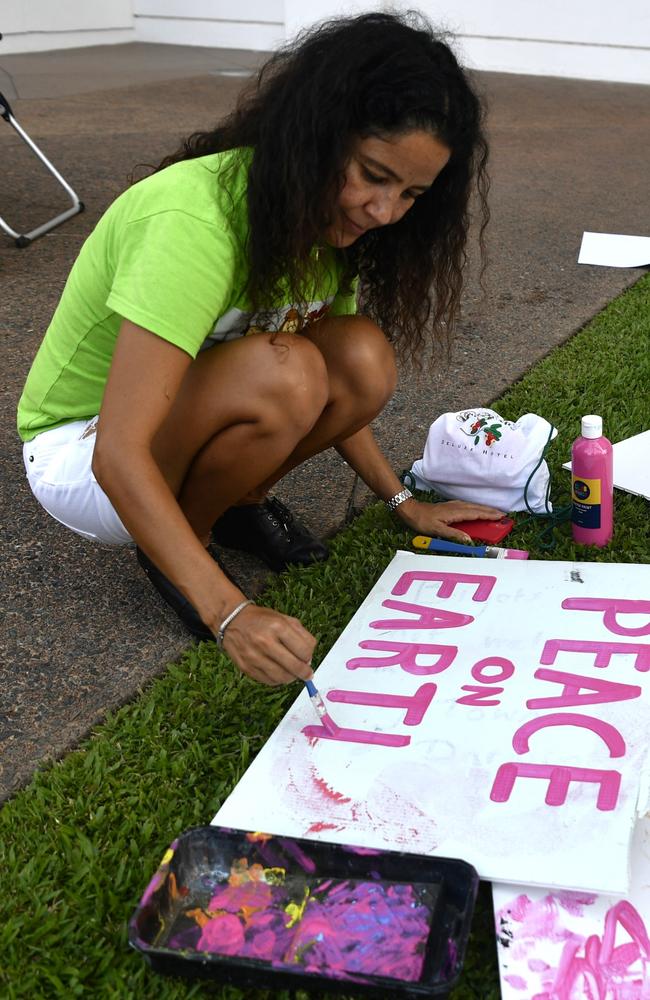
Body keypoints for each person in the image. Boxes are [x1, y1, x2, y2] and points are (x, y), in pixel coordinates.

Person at [17, 10, 503, 689]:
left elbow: (347, 388)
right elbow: (117, 452)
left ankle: (230, 507)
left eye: (411, 194)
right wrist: (229, 611)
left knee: (360, 356)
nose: (384, 212)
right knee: (288, 368)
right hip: (83, 456)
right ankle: (178, 553)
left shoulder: (330, 228)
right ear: (316, 134)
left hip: (177, 425)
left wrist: (402, 502)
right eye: (372, 174)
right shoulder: (193, 220)